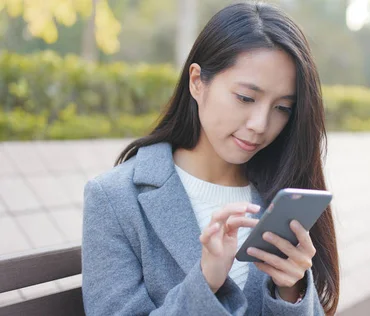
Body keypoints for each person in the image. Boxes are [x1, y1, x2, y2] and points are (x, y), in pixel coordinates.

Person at [81, 2, 339, 315]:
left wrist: (291, 292)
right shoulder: (115, 198)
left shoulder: (280, 194)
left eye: (282, 108)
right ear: (196, 82)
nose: (260, 124)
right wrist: (206, 282)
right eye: (246, 98)